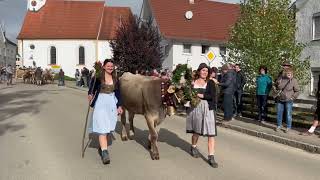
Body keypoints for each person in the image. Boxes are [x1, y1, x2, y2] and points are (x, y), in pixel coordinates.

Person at [88, 59, 123, 165]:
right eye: (108, 66)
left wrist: (119, 105)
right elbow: (92, 89)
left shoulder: (116, 79)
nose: (110, 68)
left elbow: (118, 93)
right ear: (104, 67)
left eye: (112, 66)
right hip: (100, 104)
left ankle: (102, 146)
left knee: (108, 128)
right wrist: (90, 94)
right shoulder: (97, 77)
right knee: (102, 127)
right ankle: (104, 152)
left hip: (111, 104)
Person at [186, 63, 218, 168]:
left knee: (211, 133)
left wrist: (201, 95)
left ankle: (211, 156)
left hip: (208, 109)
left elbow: (213, 96)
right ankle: (193, 147)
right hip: (195, 109)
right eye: (203, 70)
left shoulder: (210, 83)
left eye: (206, 71)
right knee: (196, 131)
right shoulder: (193, 83)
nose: (204, 72)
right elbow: (187, 94)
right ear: (199, 71)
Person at [275, 68, 299, 133]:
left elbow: (297, 91)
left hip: (288, 100)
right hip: (280, 99)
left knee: (288, 114)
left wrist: (292, 98)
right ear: (285, 73)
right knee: (279, 114)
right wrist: (278, 83)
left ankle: (288, 127)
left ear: (292, 74)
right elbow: (278, 88)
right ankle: (279, 126)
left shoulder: (294, 81)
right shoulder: (282, 79)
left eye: (290, 73)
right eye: (288, 73)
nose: (289, 74)